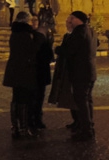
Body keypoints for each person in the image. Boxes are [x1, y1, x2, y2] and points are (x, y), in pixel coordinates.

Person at [57, 10, 97, 142]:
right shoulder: (90, 30)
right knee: (87, 100)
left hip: (80, 72)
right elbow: (96, 44)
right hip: (90, 71)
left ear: (78, 19)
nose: (70, 21)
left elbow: (69, 51)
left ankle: (86, 130)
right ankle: (89, 126)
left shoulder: (79, 32)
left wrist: (57, 49)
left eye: (72, 19)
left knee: (82, 101)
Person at [2, 12, 41, 138]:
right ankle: (23, 128)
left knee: (16, 98)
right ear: (25, 21)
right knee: (24, 98)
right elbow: (31, 50)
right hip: (24, 69)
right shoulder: (25, 34)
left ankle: (15, 126)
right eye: (29, 20)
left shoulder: (15, 33)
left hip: (14, 69)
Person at [30, 15, 53, 130]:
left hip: (39, 71)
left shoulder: (41, 35)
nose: (34, 22)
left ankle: (36, 119)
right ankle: (34, 120)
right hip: (35, 71)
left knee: (38, 97)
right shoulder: (30, 36)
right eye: (32, 20)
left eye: (36, 20)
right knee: (35, 97)